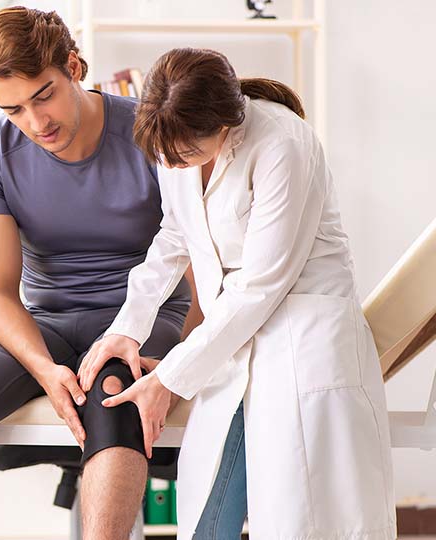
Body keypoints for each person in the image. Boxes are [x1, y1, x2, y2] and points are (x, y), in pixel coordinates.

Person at [85, 48, 396, 539]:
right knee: (210, 513)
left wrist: (168, 377)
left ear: (225, 124)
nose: (172, 163)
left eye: (185, 154)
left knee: (306, 520)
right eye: (165, 157)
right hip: (231, 344)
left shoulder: (284, 143)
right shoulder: (175, 139)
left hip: (300, 341)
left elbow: (261, 284)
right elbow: (175, 234)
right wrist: (128, 326)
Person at [0, 7, 201, 539]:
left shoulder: (148, 133)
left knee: (118, 395)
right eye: (14, 109)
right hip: (46, 322)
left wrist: (183, 362)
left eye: (43, 94)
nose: (35, 122)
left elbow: (204, 266)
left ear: (73, 65)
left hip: (140, 319)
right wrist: (46, 370)